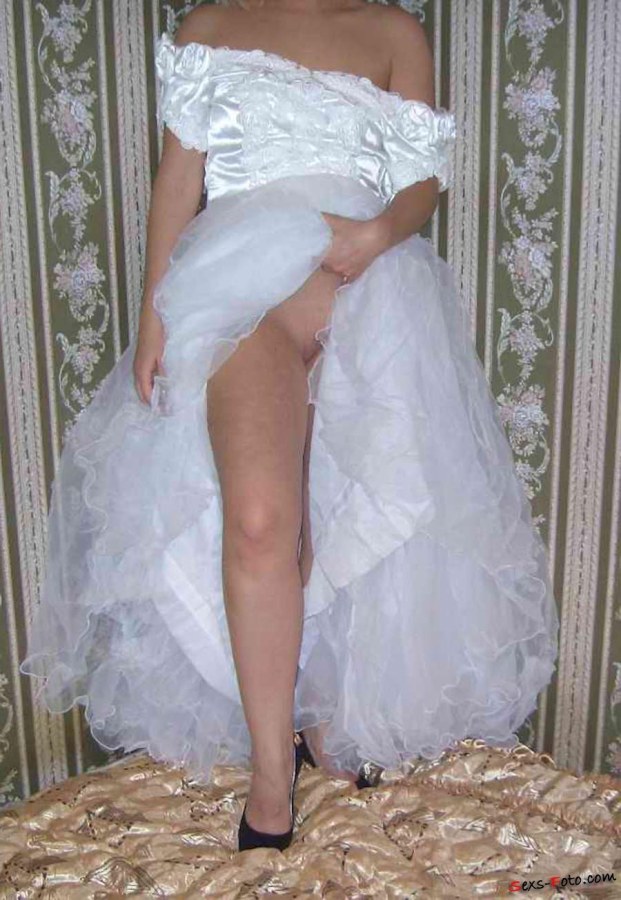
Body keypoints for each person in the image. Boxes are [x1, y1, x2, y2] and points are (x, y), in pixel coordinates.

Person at [20, 0, 560, 853]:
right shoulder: (208, 28)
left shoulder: (394, 32)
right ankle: (271, 772)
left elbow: (420, 181)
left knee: (349, 512)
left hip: (370, 286)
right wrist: (156, 321)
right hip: (244, 288)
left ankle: (317, 718)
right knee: (260, 519)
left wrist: (376, 233)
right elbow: (178, 181)